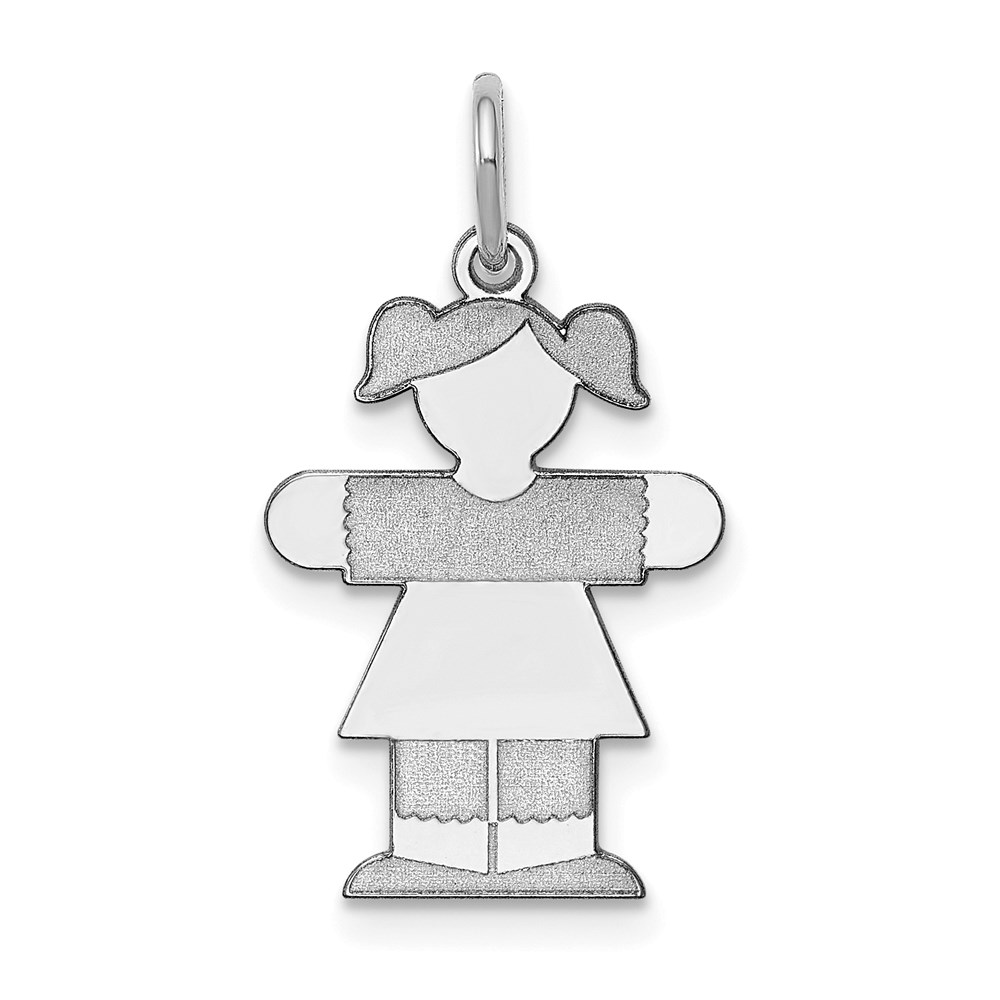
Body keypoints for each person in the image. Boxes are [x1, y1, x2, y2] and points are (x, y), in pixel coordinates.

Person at [266, 291, 723, 897]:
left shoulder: (569, 511)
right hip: (443, 654)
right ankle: (432, 854)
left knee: (550, 743)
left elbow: (681, 524)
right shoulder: (419, 512)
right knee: (437, 743)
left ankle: (554, 853)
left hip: (549, 656)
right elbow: (307, 523)